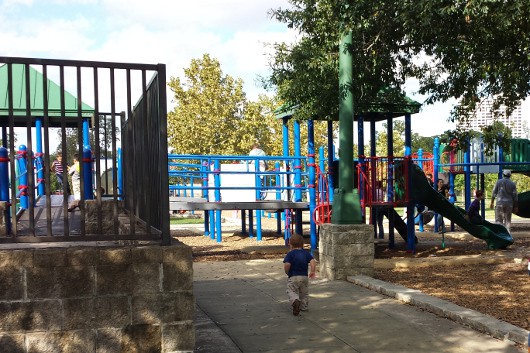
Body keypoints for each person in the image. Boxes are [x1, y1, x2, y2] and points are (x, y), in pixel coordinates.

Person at [283, 234, 316, 316]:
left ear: (290, 244)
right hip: (304, 277)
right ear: (302, 244)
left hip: (293, 276)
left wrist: (287, 272)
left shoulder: (290, 254)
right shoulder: (306, 253)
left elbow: (287, 265)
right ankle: (304, 306)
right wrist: (312, 271)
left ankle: (295, 300)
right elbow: (312, 261)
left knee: (291, 290)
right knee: (304, 293)